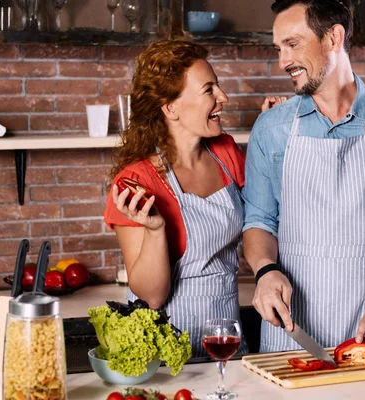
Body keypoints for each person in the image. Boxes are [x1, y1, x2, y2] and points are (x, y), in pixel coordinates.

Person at [242, 0, 365, 357]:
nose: (282, 61)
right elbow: (259, 221)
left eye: (292, 44)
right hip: (289, 338)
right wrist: (265, 271)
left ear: (333, 37)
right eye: (278, 48)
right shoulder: (271, 128)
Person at [104, 40, 253, 358]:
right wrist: (156, 229)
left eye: (219, 86)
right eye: (208, 90)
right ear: (170, 107)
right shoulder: (136, 183)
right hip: (169, 353)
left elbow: (263, 218)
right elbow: (152, 296)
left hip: (227, 340)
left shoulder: (225, 152)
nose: (222, 97)